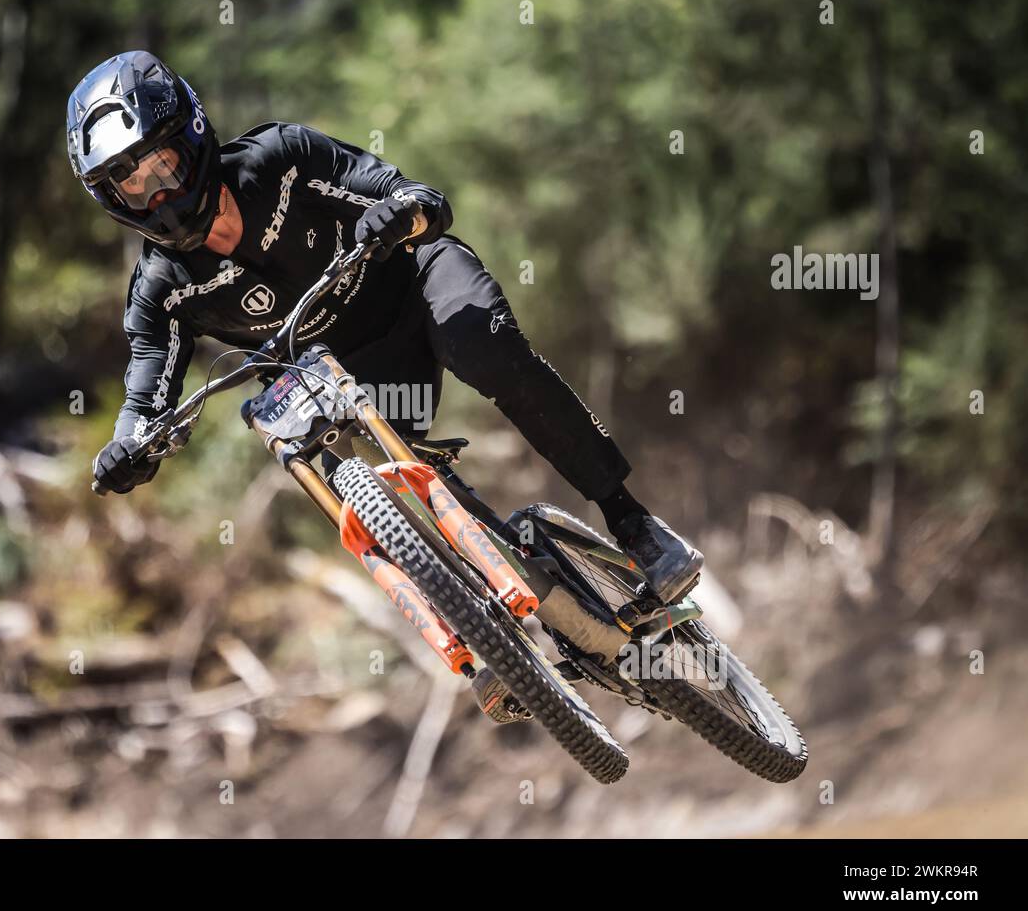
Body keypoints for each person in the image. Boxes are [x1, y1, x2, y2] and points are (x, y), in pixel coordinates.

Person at [67, 52, 704, 720]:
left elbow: (417, 197)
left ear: (193, 138)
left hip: (419, 283)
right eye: (134, 187)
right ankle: (494, 639)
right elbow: (147, 388)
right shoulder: (162, 289)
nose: (159, 196)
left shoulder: (280, 159)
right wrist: (129, 444)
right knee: (340, 465)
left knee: (485, 351)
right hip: (357, 371)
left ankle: (632, 521)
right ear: (114, 204)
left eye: (161, 167)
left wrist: (400, 215)